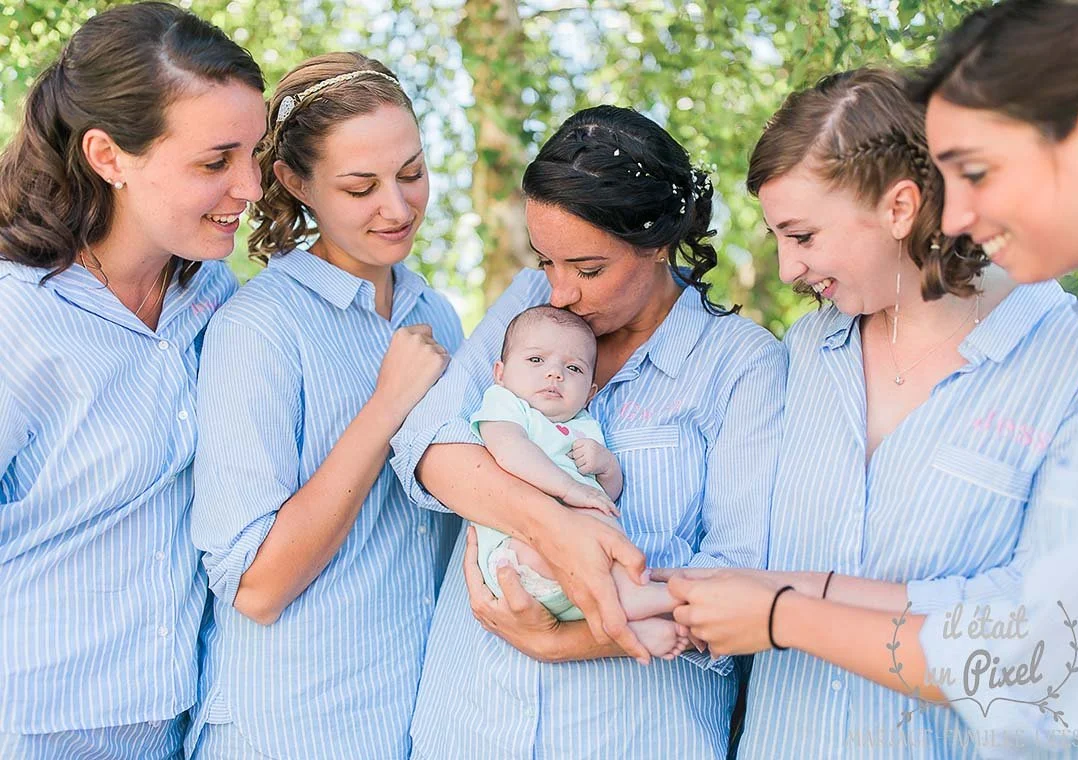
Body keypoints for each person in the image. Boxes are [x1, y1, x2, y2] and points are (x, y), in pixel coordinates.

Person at [660, 67, 1078, 759]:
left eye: (802, 236)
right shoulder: (807, 351)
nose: (785, 269)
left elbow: (1038, 626)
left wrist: (793, 610)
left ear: (900, 208)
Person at [390, 105, 786, 758]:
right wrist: (554, 527)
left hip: (633, 734)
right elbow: (425, 440)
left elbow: (739, 576)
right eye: (546, 260)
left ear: (658, 240)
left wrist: (559, 639)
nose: (561, 291)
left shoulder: (739, 362)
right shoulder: (528, 305)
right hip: (471, 722)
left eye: (588, 268)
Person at [0, 4, 265, 757]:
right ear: (109, 156)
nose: (248, 186)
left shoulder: (216, 300)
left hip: (176, 721)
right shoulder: (17, 317)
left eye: (254, 153)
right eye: (216, 161)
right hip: (34, 725)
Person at [186, 53, 461, 759]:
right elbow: (256, 587)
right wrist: (387, 405)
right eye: (360, 186)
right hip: (291, 726)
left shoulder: (438, 315)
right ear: (294, 182)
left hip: (415, 720)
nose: (397, 208)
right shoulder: (259, 328)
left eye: (412, 173)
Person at [470, 304, 685, 657]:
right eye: (536, 361)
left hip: (581, 577)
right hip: (518, 554)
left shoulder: (583, 425)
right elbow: (509, 451)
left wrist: (607, 467)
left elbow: (604, 495)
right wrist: (571, 489)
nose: (554, 374)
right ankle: (634, 600)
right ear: (501, 373)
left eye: (572, 368)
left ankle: (636, 626)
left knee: (601, 526)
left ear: (590, 392)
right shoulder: (506, 406)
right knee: (590, 533)